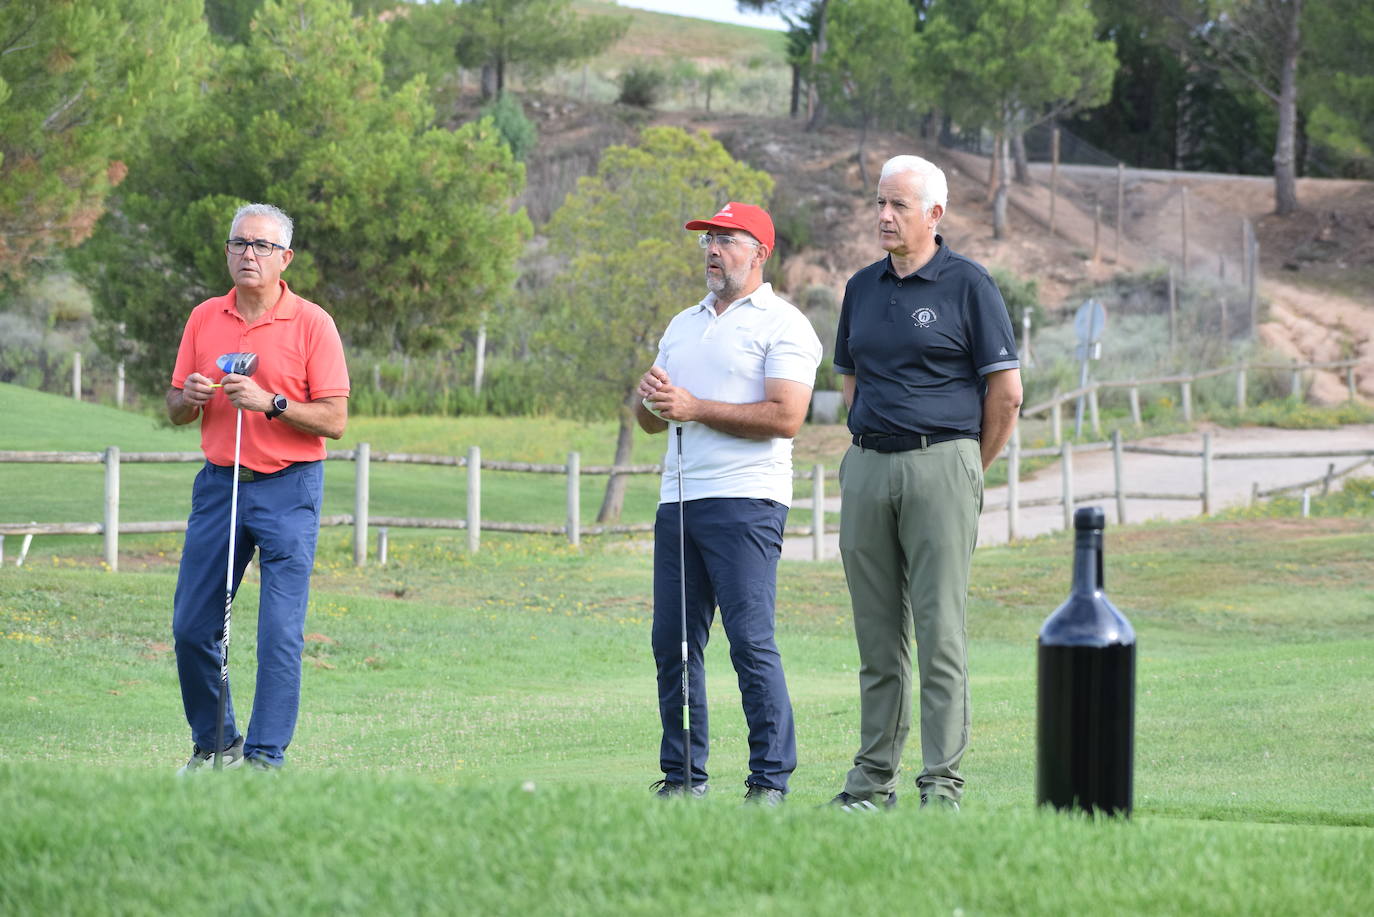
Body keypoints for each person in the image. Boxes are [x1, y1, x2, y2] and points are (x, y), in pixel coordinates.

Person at [827, 156, 1023, 812]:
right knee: (876, 637)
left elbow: (1008, 395)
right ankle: (869, 785)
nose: (884, 215)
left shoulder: (970, 285)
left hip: (943, 462)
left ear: (934, 215)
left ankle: (941, 788)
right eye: (880, 203)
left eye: (899, 206)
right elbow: (850, 381)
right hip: (867, 466)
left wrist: (968, 466)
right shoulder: (860, 287)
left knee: (941, 633)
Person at [637, 202, 822, 805]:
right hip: (680, 502)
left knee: (749, 642)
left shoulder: (784, 324)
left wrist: (693, 408)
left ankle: (769, 780)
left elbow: (786, 417)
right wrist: (651, 399)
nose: (713, 251)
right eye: (708, 241)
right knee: (674, 644)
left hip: (748, 502)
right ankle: (682, 777)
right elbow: (647, 420)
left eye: (727, 240)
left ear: (759, 252)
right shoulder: (682, 323)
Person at [167, 203, 349, 773]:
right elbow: (174, 408)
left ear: (284, 258)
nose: (249, 254)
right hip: (221, 486)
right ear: (227, 252)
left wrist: (270, 403)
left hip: (289, 489)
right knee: (192, 627)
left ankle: (265, 760)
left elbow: (334, 420)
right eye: (240, 244)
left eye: (262, 246)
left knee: (278, 634)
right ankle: (216, 742)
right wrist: (190, 397)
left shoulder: (312, 322)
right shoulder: (204, 317)